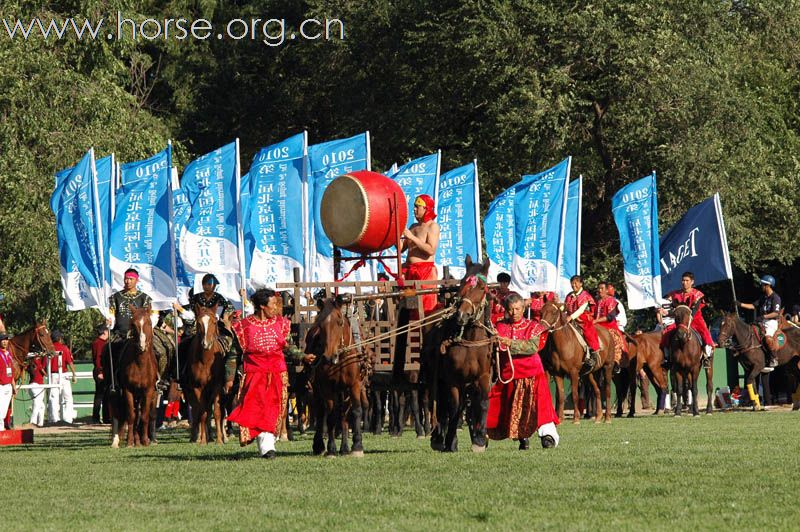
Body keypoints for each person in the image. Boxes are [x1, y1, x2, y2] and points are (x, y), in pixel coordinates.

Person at [227, 288, 315, 459]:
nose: (276, 308)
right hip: (254, 374)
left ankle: (268, 446)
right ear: (261, 306)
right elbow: (233, 354)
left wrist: (303, 356)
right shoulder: (243, 327)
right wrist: (229, 377)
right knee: (256, 409)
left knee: (273, 409)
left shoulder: (281, 324)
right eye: (273, 304)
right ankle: (266, 445)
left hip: (277, 373)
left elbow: (289, 347)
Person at [487, 293, 560, 449]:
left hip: (532, 373)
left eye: (518, 309)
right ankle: (518, 437)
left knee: (540, 406)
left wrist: (510, 343)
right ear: (507, 309)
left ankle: (548, 436)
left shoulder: (533, 326)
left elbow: (532, 347)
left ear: (523, 308)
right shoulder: (499, 327)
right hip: (509, 374)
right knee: (506, 406)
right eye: (511, 309)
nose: (514, 313)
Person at [660, 271, 715, 368]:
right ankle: (667, 357)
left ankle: (707, 356)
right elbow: (674, 309)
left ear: (692, 282)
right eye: (683, 280)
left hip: (695, 319)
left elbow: (695, 310)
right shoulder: (676, 294)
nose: (684, 282)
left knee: (705, 333)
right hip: (680, 321)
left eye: (687, 280)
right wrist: (666, 312)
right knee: (667, 333)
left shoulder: (697, 294)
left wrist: (689, 318)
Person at [399, 194, 441, 316]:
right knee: (410, 306)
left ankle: (426, 333)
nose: (414, 209)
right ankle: (412, 332)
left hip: (426, 273)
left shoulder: (433, 226)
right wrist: (397, 235)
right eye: (414, 207)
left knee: (426, 306)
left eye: (417, 207)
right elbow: (401, 249)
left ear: (426, 208)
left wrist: (412, 237)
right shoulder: (413, 227)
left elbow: (431, 250)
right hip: (410, 273)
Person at [737, 275, 782, 369]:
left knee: (767, 338)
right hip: (762, 321)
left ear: (768, 285)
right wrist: (740, 304)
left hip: (771, 322)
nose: (761, 286)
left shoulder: (775, 297)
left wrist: (763, 316)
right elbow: (753, 306)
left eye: (763, 284)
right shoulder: (763, 297)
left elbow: (775, 313)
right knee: (751, 333)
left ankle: (774, 358)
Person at [564, 275, 601, 368]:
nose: (574, 284)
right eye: (572, 282)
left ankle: (593, 353)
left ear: (581, 284)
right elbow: (564, 307)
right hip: (570, 318)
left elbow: (581, 310)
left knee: (588, 332)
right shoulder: (569, 295)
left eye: (576, 282)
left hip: (583, 318)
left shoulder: (585, 295)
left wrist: (571, 317)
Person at [595, 281, 625, 374]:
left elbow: (610, 316)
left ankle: (616, 362)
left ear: (607, 290)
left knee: (614, 339)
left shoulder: (612, 301)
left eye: (602, 288)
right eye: (599, 288)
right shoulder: (597, 301)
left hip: (609, 326)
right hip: (597, 325)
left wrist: (596, 321)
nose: (600, 290)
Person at [48, 329, 77, 424]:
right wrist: (74, 374)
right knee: (68, 397)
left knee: (53, 397)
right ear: (60, 338)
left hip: (52, 375)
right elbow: (70, 363)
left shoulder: (49, 349)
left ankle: (54, 419)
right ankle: (68, 419)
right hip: (63, 374)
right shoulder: (64, 348)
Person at [91, 325, 109, 423]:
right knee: (101, 395)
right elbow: (98, 358)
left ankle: (102, 417)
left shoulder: (97, 342)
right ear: (105, 332)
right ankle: (98, 417)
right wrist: (100, 372)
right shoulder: (100, 343)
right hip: (101, 371)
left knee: (102, 394)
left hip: (100, 370)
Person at [0, 333, 17, 431]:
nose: (5, 342)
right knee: (0, 408)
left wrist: (13, 386)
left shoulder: (8, 354)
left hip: (8, 386)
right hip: (1, 385)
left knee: (4, 408)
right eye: (3, 340)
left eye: (6, 340)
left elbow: (11, 373)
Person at [27, 352, 47, 426]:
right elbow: (44, 372)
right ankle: (33, 422)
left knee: (41, 406)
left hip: (36, 384)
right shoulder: (36, 359)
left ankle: (40, 423)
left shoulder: (34, 360)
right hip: (36, 384)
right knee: (37, 403)